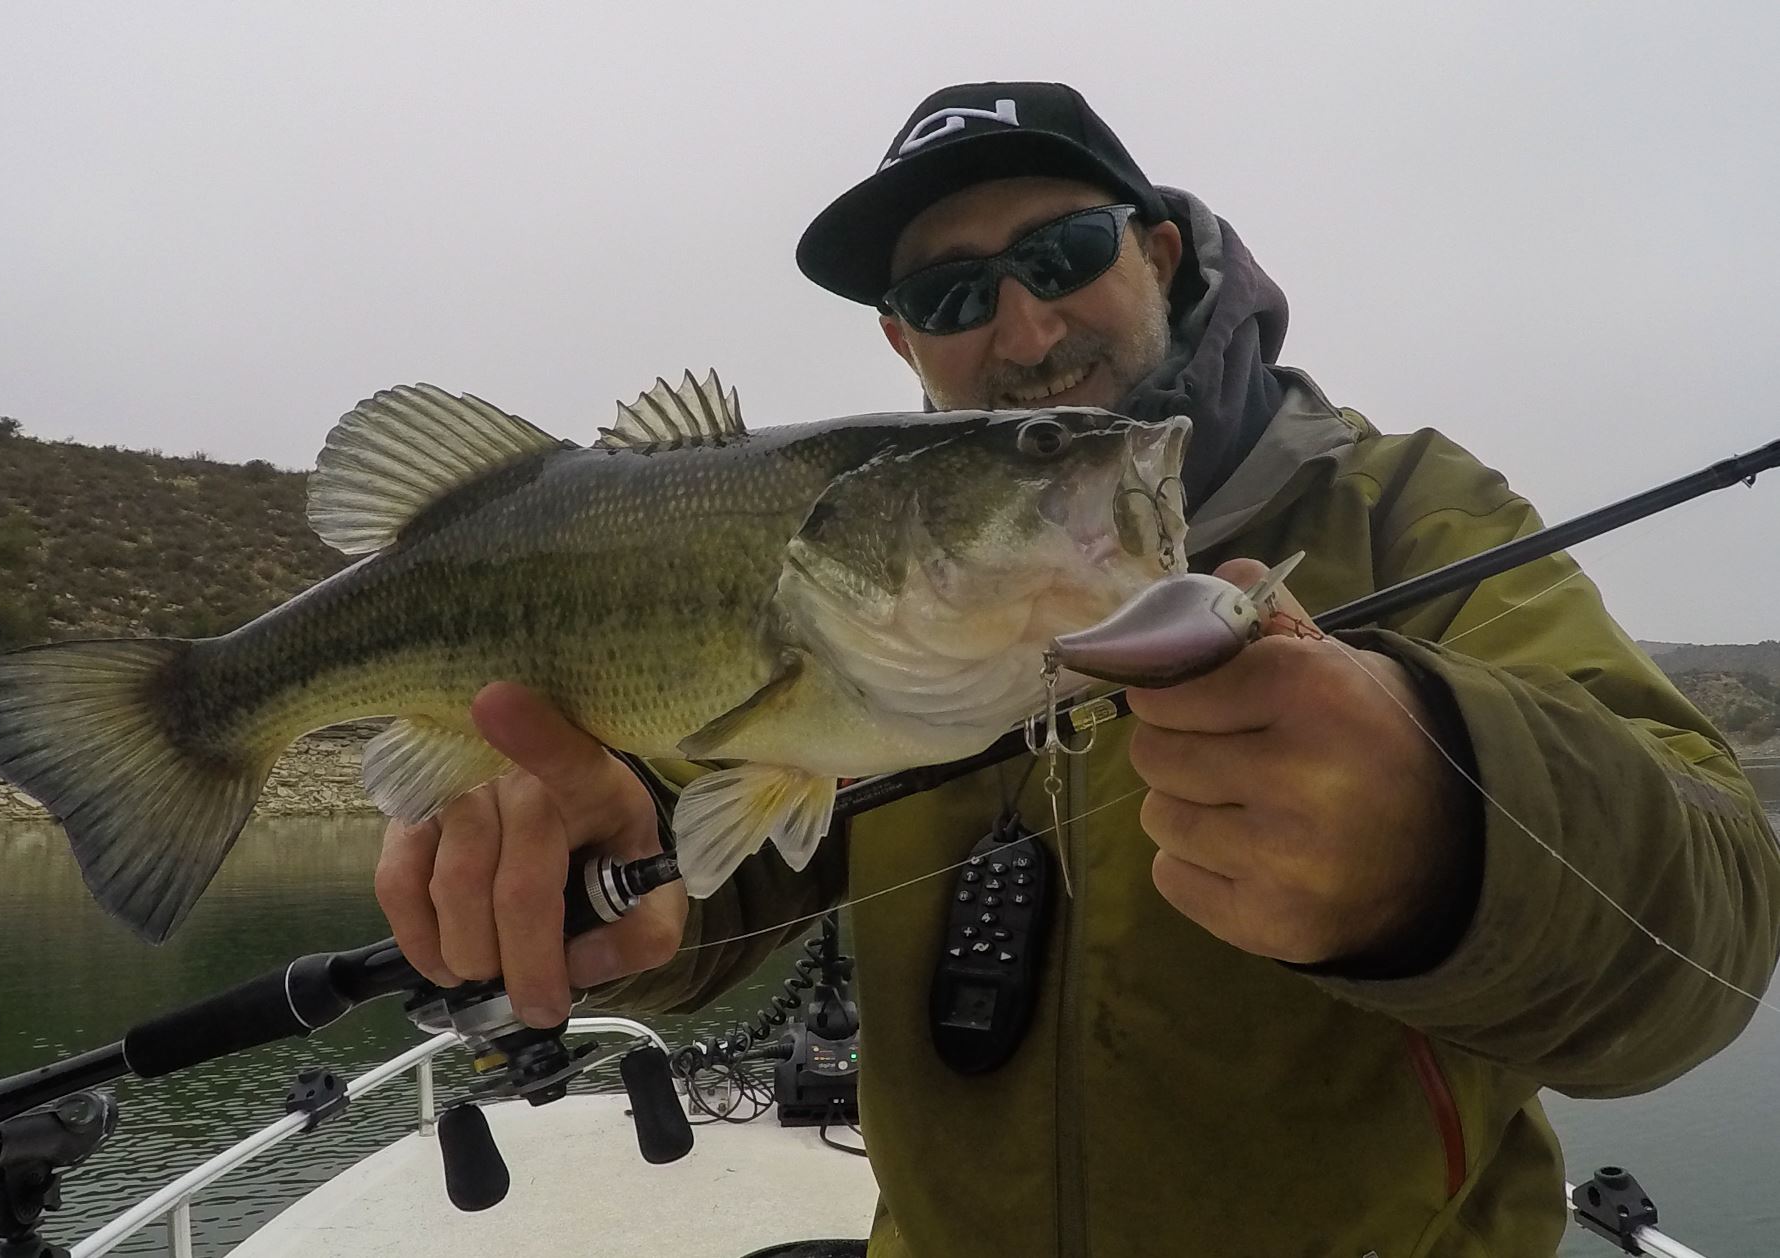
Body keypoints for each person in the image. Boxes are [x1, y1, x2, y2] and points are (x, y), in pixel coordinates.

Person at [373, 82, 1780, 1256]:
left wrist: (1453, 830)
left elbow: (1713, 921)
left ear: (1158, 254)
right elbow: (722, 849)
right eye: (950, 291)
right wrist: (613, 887)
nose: (1028, 330)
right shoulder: (871, 574)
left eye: (1064, 253)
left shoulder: (1410, 506)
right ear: (898, 341)